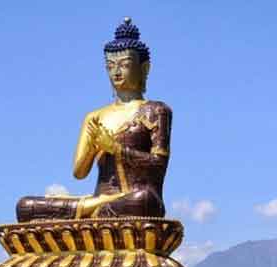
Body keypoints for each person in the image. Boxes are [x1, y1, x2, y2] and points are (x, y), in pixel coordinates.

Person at [16, 18, 171, 222]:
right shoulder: (95, 117)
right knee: (25, 206)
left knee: (143, 201)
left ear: (144, 68)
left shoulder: (155, 110)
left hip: (135, 200)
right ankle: (91, 209)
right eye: (110, 66)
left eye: (124, 65)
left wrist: (116, 149)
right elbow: (79, 172)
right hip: (101, 200)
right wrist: (92, 144)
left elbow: (158, 164)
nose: (116, 72)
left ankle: (86, 214)